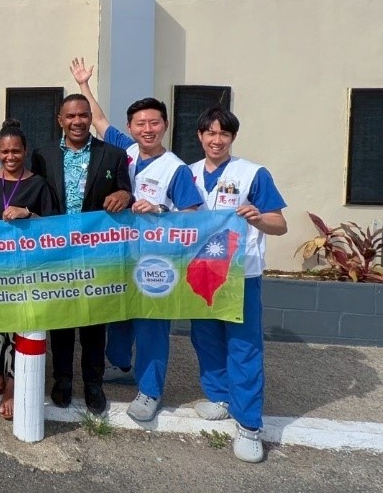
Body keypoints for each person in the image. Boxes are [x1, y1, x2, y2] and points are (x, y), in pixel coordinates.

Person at [70, 57, 204, 424]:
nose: (147, 129)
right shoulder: (125, 151)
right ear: (131, 127)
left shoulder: (175, 169)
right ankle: (121, 365)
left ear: (165, 125)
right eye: (140, 124)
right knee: (119, 315)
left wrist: (160, 209)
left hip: (156, 260)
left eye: (154, 123)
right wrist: (84, 85)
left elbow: (195, 216)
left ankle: (150, 391)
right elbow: (99, 121)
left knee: (150, 325)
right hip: (119, 255)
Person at [187, 106, 288, 463]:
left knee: (243, 347)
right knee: (205, 339)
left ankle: (248, 425)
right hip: (200, 272)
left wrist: (258, 218)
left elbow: (280, 224)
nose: (217, 140)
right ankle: (220, 398)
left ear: (232, 138)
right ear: (200, 136)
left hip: (240, 275)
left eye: (224, 134)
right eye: (211, 133)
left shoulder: (253, 174)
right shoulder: (188, 174)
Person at [30, 94, 132, 415]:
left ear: (90, 117)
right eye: (71, 116)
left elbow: (126, 191)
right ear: (60, 120)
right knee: (61, 319)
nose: (77, 121)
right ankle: (62, 380)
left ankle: (93, 383)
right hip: (57, 252)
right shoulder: (42, 155)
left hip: (96, 252)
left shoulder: (113, 155)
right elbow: (34, 196)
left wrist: (123, 194)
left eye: (83, 115)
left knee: (93, 322)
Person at [0, 121, 59, 420]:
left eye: (16, 151)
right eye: (4, 151)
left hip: (25, 271)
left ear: (25, 151)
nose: (10, 156)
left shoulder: (39, 184)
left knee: (18, 328)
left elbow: (52, 229)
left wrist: (28, 213)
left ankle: (12, 384)